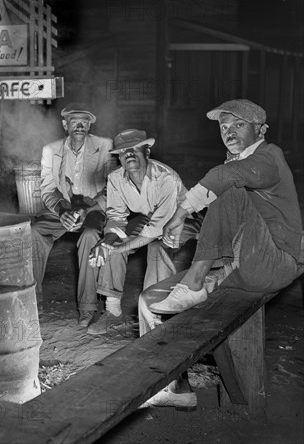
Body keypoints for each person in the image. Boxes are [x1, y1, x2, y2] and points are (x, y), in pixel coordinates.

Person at [139, 98, 304, 410]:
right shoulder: (239, 164)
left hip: (277, 263)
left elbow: (226, 181)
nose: (229, 132)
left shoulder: (270, 156)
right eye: (224, 127)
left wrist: (180, 213)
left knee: (229, 182)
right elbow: (222, 221)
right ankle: (170, 386)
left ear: (261, 129)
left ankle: (195, 283)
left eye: (238, 125)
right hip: (247, 266)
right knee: (148, 300)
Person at [87, 129, 200, 335]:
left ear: (147, 152)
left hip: (182, 221)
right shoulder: (115, 178)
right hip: (150, 220)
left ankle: (156, 316)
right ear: (119, 158)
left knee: (157, 247)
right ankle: (112, 312)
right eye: (123, 152)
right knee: (110, 243)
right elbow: (116, 219)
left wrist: (121, 247)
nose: (128, 154)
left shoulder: (166, 177)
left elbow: (158, 229)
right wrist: (109, 241)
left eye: (134, 150)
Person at [31, 102, 116, 323]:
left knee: (89, 236)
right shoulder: (51, 150)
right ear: (65, 124)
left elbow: (112, 188)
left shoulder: (105, 146)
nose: (80, 125)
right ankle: (32, 301)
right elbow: (48, 188)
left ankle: (87, 306)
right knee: (34, 232)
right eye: (74, 121)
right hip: (65, 207)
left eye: (84, 121)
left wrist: (89, 210)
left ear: (89, 125)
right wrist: (61, 211)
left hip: (94, 208)